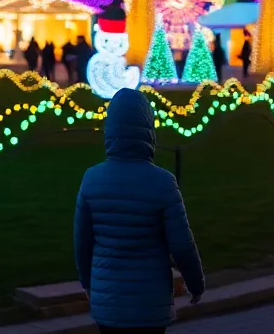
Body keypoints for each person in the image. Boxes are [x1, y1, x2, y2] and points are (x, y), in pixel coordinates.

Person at [75, 88, 205, 333]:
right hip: (149, 305)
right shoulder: (163, 182)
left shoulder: (91, 179)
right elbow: (182, 245)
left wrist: (87, 284)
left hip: (108, 303)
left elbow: (82, 242)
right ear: (148, 128)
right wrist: (195, 284)